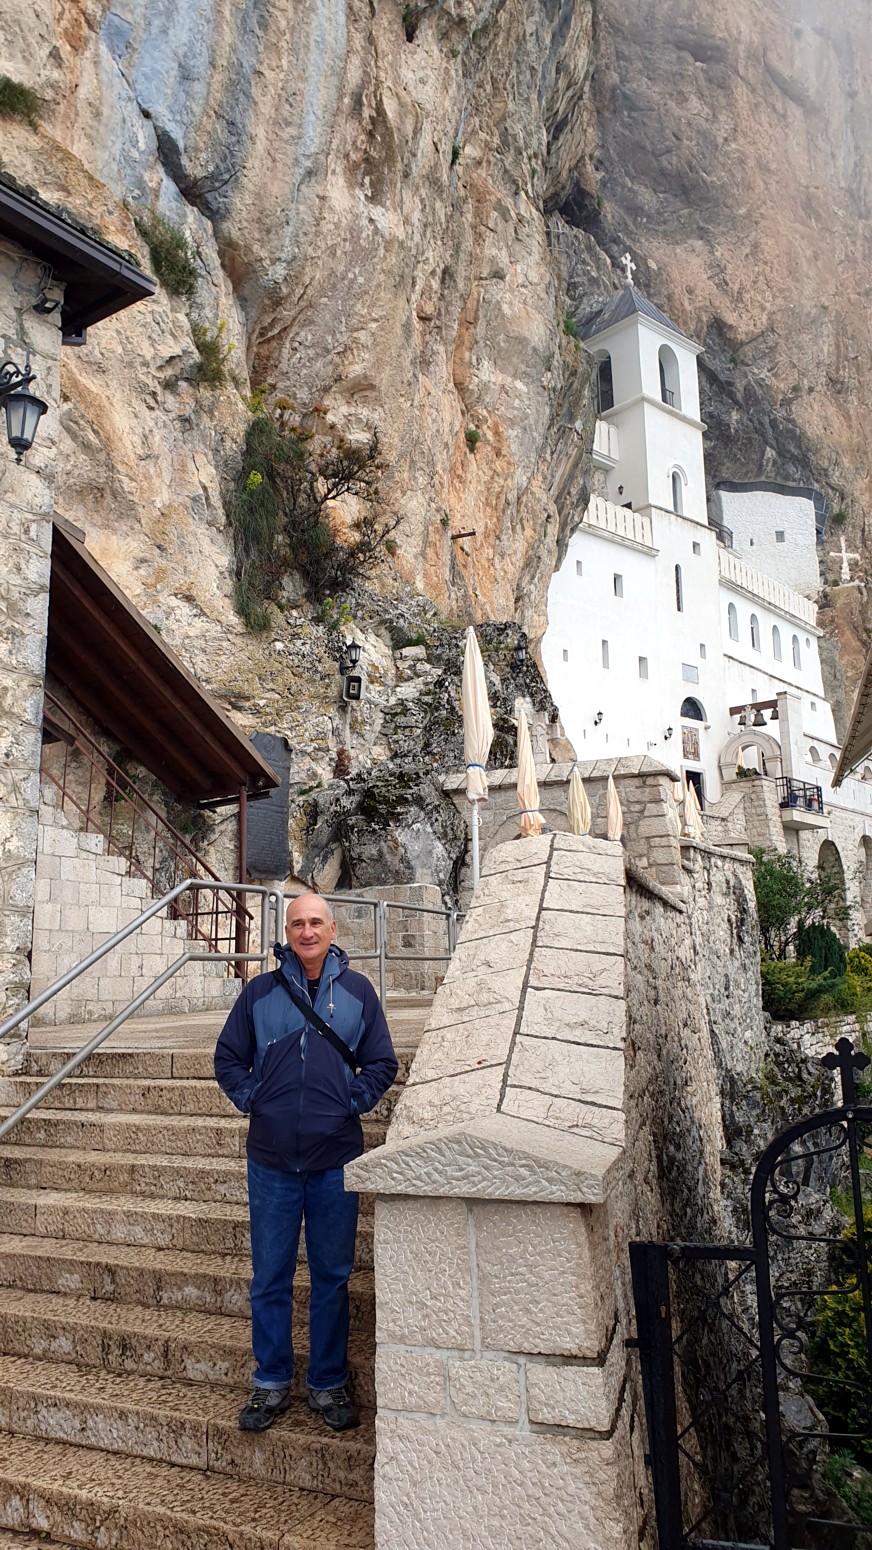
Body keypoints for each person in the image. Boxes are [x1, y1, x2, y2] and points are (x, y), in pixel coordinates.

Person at [214, 892, 397, 1434]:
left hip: (335, 1158)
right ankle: (271, 1380)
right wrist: (255, 1099)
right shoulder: (259, 993)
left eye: (316, 922)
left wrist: (351, 1101)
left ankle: (327, 1381)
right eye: (298, 923)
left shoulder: (359, 992)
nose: (307, 931)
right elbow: (228, 1058)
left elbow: (382, 1061)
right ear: (287, 932)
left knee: (331, 1277)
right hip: (271, 1159)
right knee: (269, 1276)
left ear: (332, 929)